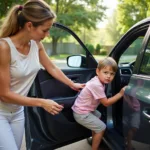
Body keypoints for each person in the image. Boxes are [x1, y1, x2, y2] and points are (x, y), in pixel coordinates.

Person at [0, 1, 85, 150]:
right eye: (45, 30)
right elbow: (4, 94)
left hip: (18, 111)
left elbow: (51, 67)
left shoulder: (36, 45)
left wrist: (72, 84)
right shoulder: (4, 47)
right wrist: (42, 102)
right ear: (29, 26)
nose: (47, 35)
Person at [72, 57, 126, 150]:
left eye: (112, 74)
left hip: (84, 110)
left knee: (98, 115)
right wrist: (120, 94)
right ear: (97, 71)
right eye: (105, 72)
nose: (108, 76)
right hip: (81, 113)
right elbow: (106, 103)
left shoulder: (98, 81)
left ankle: (95, 138)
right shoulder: (96, 85)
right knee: (101, 127)